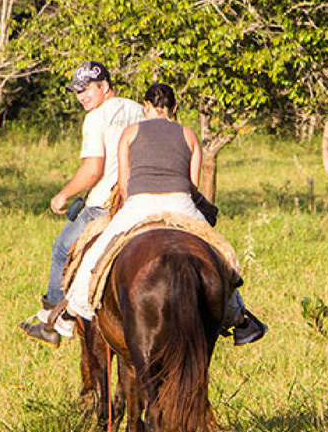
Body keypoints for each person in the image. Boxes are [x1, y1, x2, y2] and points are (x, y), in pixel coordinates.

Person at [62, 82, 267, 345]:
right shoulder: (189, 135)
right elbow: (192, 187)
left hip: (139, 204)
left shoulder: (129, 133)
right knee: (219, 253)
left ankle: (71, 312)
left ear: (146, 106)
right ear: (174, 107)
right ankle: (239, 318)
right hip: (180, 203)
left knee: (97, 252)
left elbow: (124, 186)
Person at [19, 61, 143, 347]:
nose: (82, 97)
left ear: (105, 87)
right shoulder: (139, 110)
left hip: (104, 205)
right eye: (78, 91)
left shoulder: (96, 117)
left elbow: (92, 170)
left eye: (87, 90)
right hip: (140, 201)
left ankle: (51, 321)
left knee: (62, 249)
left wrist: (62, 195)